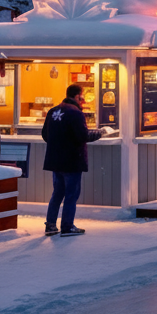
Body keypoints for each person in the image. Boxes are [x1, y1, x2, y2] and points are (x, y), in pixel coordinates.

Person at [42, 84, 105, 238]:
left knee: (57, 193)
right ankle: (67, 226)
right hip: (72, 161)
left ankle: (50, 225)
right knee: (71, 194)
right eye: (81, 96)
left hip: (55, 160)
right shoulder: (76, 113)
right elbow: (83, 136)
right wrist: (100, 133)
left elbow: (45, 135)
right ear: (78, 96)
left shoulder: (53, 111)